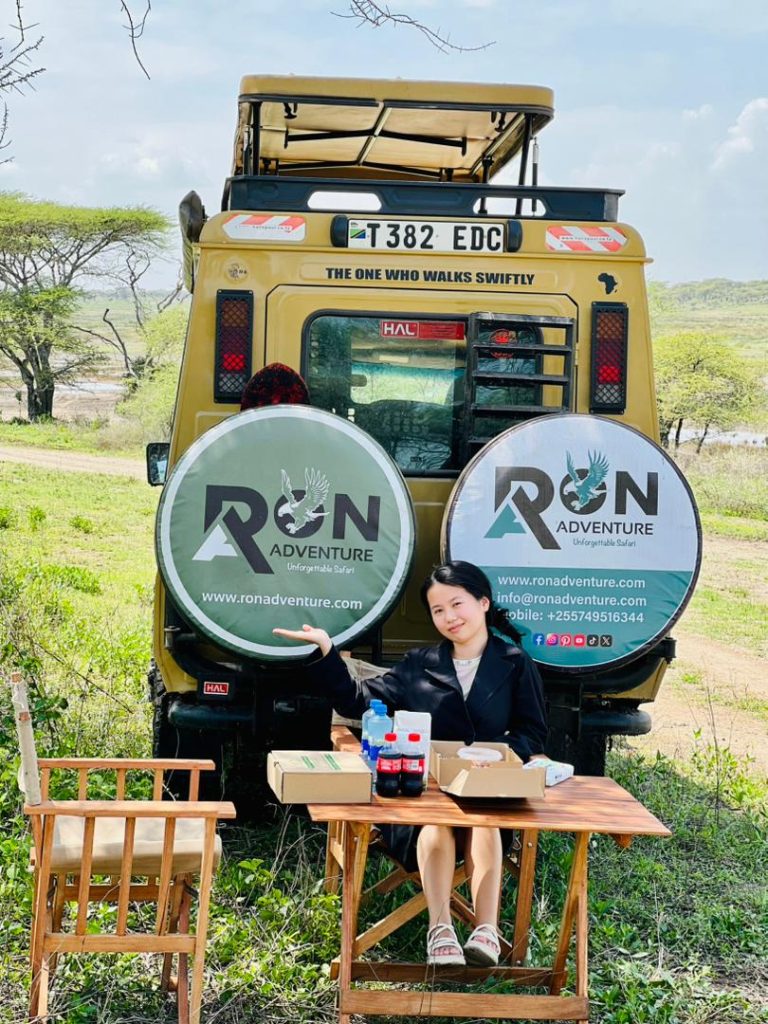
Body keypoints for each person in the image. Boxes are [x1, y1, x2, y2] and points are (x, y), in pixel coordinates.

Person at [273, 560, 548, 969]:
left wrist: (497, 754)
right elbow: (357, 700)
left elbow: (533, 733)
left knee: (485, 823)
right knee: (435, 823)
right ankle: (440, 930)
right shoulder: (420, 664)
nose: (450, 617)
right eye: (438, 610)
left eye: (457, 604)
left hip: (487, 793)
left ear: (483, 602)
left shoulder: (514, 662)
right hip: (420, 794)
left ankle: (487, 931)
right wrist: (328, 651)